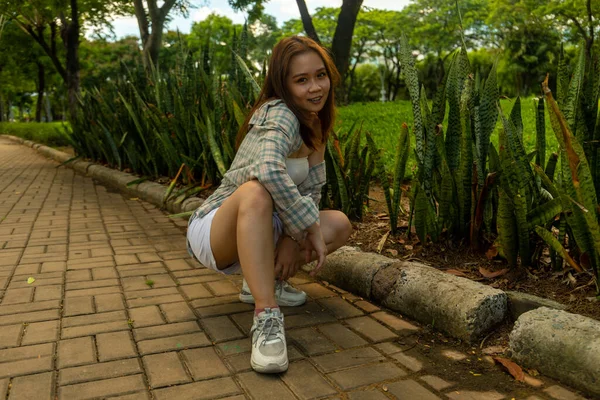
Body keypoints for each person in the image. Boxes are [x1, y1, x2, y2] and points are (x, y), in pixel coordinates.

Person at [186, 35, 352, 374]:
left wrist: (294, 240)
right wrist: (301, 228)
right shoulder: (279, 114)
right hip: (217, 228)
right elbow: (266, 169)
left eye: (320, 75)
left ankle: (260, 281)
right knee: (256, 191)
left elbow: (314, 190)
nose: (315, 87)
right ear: (283, 85)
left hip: (266, 224)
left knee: (338, 224)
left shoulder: (316, 122)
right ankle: (266, 317)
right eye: (301, 80)